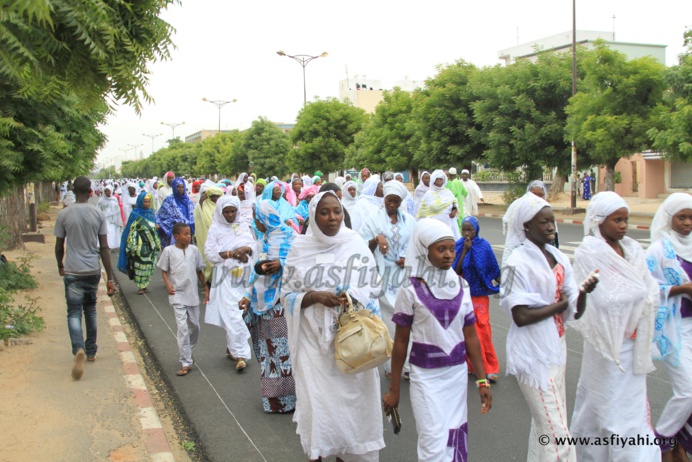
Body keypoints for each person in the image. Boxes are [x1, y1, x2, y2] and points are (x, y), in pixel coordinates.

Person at [281, 191, 385, 461]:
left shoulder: (355, 244)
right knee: (321, 409)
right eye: (324, 212)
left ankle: (347, 454)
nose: (332, 218)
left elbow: (373, 288)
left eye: (336, 211)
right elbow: (286, 295)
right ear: (314, 216)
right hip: (314, 346)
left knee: (355, 410)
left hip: (354, 344)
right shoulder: (299, 248)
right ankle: (321, 452)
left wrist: (350, 294)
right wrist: (314, 297)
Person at [383, 218, 492, 461]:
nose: (448, 255)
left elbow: (471, 336)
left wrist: (482, 381)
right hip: (424, 377)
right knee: (432, 441)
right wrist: (394, 388)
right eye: (440, 249)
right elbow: (400, 342)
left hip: (456, 376)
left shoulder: (462, 286)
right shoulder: (409, 291)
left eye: (452, 249)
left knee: (455, 437)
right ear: (424, 251)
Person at [500, 191, 597, 462]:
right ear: (526, 226)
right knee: (558, 435)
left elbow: (575, 308)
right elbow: (520, 315)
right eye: (544, 222)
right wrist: (560, 304)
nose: (552, 226)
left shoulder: (558, 256)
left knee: (545, 428)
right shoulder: (513, 262)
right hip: (532, 356)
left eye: (552, 220)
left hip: (556, 348)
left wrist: (584, 292)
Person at [569, 192, 659, 461]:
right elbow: (601, 300)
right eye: (617, 220)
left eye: (625, 219)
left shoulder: (632, 250)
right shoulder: (589, 252)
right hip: (606, 349)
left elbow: (649, 290)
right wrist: (635, 295)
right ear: (598, 221)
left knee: (631, 411)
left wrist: (637, 297)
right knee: (602, 406)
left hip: (633, 345)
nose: (623, 225)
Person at [54, 176, 116, 380]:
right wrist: (109, 277)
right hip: (92, 269)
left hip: (72, 270)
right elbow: (104, 247)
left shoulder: (64, 214)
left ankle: (78, 348)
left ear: (73, 190)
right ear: (91, 191)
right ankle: (90, 351)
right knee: (90, 309)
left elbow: (58, 245)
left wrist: (60, 265)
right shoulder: (97, 213)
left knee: (73, 312)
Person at [239, 200, 297, 412]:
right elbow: (255, 272)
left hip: (282, 303)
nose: (255, 221)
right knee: (269, 354)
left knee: (286, 353)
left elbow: (303, 262)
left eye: (257, 217)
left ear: (265, 218)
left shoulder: (291, 236)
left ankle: (292, 399)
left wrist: (282, 263)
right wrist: (247, 295)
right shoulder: (261, 240)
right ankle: (275, 401)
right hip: (262, 304)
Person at [646, 193, 692, 461]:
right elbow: (647, 291)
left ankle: (681, 445)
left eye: (691, 217)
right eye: (681, 217)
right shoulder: (659, 251)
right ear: (669, 218)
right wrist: (681, 289)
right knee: (688, 390)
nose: (687, 223)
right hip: (676, 332)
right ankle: (662, 440)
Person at [359, 180, 415, 378]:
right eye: (390, 201)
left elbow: (418, 245)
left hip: (405, 276)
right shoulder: (373, 220)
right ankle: (392, 366)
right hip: (381, 276)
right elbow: (361, 247)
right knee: (389, 323)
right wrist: (376, 239)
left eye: (397, 202)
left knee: (408, 320)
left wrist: (407, 258)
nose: (393, 205)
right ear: (384, 199)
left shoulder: (409, 220)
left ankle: (408, 366)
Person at [204, 196, 255, 371]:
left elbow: (253, 246)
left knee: (242, 313)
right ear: (220, 212)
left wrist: (245, 250)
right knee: (233, 314)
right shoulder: (215, 228)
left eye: (233, 211)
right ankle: (240, 355)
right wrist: (230, 254)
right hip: (225, 277)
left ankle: (231, 347)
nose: (231, 215)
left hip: (244, 276)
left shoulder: (243, 225)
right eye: (227, 212)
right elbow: (209, 253)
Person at [453, 216, 501, 383]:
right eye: (464, 229)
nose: (467, 233)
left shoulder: (484, 246)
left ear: (476, 230)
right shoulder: (458, 246)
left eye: (470, 230)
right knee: (467, 331)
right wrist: (465, 251)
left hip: (479, 296)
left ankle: (490, 368)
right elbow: (454, 271)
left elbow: (494, 269)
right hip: (463, 295)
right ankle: (471, 365)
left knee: (484, 331)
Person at [157, 223, 209, 377]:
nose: (188, 236)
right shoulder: (169, 251)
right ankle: (185, 361)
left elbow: (199, 271)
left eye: (189, 234)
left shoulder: (194, 250)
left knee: (194, 326)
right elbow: (164, 271)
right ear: (176, 236)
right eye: (185, 234)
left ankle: (188, 349)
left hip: (191, 294)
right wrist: (167, 284)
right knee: (182, 328)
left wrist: (206, 289)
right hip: (177, 294)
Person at [116, 191, 161, 295]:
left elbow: (153, 228)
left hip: (151, 245)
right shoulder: (135, 214)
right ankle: (140, 286)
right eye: (145, 202)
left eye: (148, 202)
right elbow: (129, 230)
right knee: (139, 265)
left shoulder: (150, 213)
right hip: (139, 246)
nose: (147, 204)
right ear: (140, 202)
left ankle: (145, 284)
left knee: (149, 265)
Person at [417, 170, 461, 241]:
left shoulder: (448, 192)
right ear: (433, 180)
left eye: (441, 179)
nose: (439, 181)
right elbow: (423, 211)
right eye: (437, 179)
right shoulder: (428, 194)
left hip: (448, 224)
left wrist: (454, 210)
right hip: (434, 226)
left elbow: (454, 203)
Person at [194, 184, 223, 283]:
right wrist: (201, 201)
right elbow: (199, 221)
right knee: (208, 259)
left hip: (220, 238)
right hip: (205, 237)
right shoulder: (201, 206)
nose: (215, 198)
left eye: (217, 196)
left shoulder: (222, 206)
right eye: (212, 196)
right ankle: (207, 281)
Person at [157, 177, 195, 248]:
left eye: (182, 187)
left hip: (188, 233)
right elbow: (162, 217)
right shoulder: (169, 201)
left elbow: (193, 215)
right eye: (178, 187)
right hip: (175, 234)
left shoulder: (188, 201)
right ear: (174, 187)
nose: (180, 189)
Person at [97, 185, 123, 250]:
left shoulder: (114, 199)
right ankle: (106, 245)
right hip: (105, 219)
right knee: (107, 232)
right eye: (106, 191)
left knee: (113, 232)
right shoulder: (101, 200)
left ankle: (111, 246)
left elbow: (117, 209)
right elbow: (98, 208)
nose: (107, 192)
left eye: (109, 191)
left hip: (113, 219)